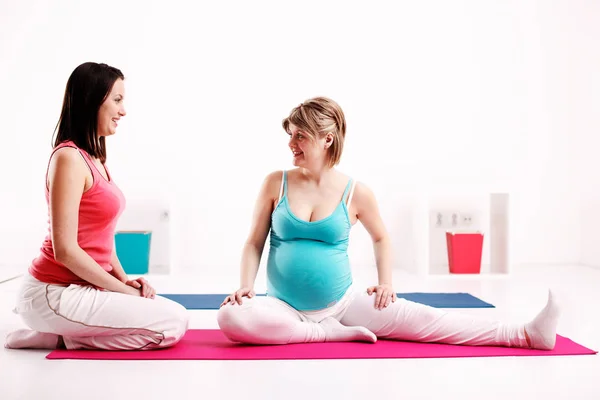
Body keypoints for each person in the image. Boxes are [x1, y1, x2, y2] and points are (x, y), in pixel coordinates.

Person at [216, 96, 560, 350]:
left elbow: (381, 238)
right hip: (282, 308)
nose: (291, 144)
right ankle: (323, 333)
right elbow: (254, 241)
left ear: (327, 138)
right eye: (290, 136)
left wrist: (386, 283)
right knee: (230, 316)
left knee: (429, 319)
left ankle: (526, 334)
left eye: (299, 136)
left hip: (343, 304)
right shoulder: (276, 182)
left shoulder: (356, 193)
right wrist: (246, 284)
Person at [4, 62, 189, 351]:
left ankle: (59, 336)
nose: (123, 111)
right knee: (172, 324)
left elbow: (101, 237)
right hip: (52, 292)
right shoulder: (68, 159)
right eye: (116, 100)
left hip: (83, 288)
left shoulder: (96, 160)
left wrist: (125, 281)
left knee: (173, 315)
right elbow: (65, 250)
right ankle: (62, 336)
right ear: (92, 101)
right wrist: (123, 291)